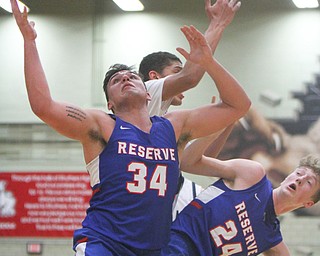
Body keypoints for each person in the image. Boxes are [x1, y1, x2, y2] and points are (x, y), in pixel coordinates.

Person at [11, 0, 250, 254]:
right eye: (116, 80)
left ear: (148, 93)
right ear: (110, 103)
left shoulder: (173, 126)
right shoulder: (101, 125)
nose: (125, 77)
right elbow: (43, 106)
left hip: (153, 246)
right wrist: (29, 41)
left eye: (132, 76)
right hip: (104, 242)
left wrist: (210, 62)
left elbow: (237, 106)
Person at [139, 0, 241, 219]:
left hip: (159, 199)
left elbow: (199, 159)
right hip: (137, 199)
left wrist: (225, 121)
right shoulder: (145, 92)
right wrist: (217, 25)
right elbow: (190, 77)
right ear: (154, 76)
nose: (180, 76)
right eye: (175, 70)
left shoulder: (163, 117)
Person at [161, 131, 320, 255]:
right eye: (299, 173)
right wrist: (215, 129)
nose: (300, 179)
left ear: (308, 203)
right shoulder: (253, 176)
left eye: (309, 181)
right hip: (178, 244)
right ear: (288, 177)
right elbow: (188, 162)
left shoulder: (271, 239)